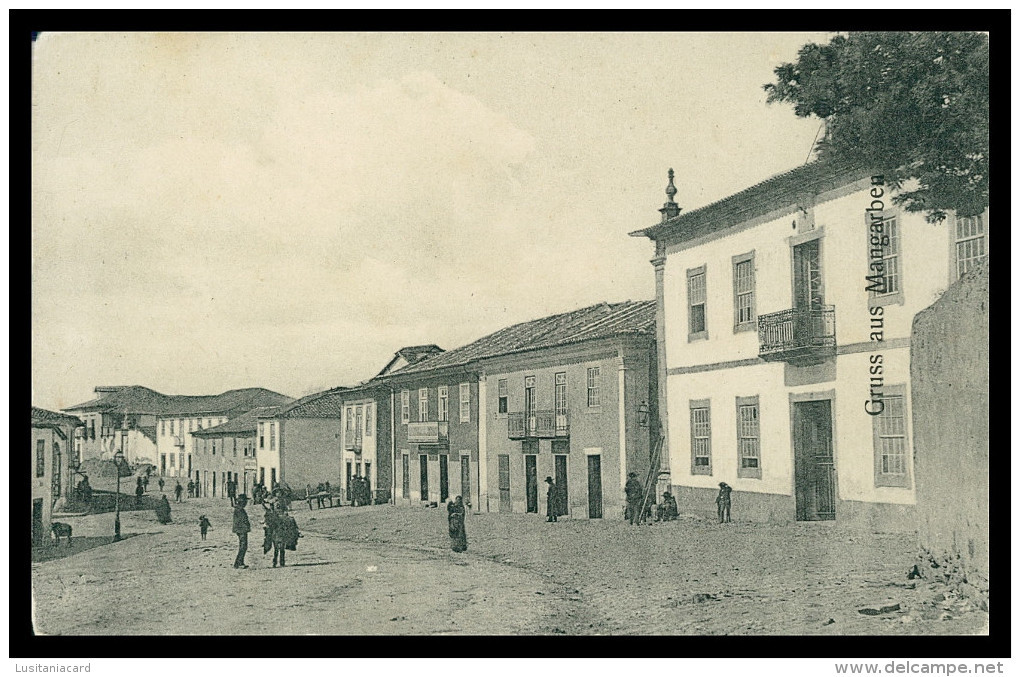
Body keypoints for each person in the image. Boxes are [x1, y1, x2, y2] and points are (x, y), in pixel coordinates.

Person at [232, 495, 251, 569]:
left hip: (241, 530)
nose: (246, 503)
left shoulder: (239, 509)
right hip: (241, 530)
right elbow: (241, 521)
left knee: (243, 546)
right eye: (245, 501)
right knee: (243, 546)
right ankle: (238, 563)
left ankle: (240, 562)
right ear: (241, 501)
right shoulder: (239, 510)